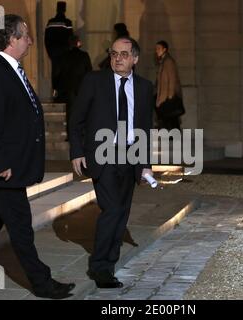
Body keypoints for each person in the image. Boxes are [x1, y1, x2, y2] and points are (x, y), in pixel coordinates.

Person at [0, 14, 75, 299]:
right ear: (12, 39)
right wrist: (1, 164)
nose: (31, 40)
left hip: (13, 165)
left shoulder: (13, 70)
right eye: (26, 35)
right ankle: (43, 284)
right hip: (5, 169)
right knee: (21, 230)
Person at [70, 36, 154, 288]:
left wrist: (145, 163)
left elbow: (145, 129)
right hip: (103, 154)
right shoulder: (94, 81)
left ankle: (110, 260)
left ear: (135, 59)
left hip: (130, 156)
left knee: (122, 211)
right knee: (113, 209)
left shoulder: (144, 87)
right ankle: (100, 268)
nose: (118, 58)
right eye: (114, 53)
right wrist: (77, 151)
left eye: (124, 54)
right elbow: (77, 119)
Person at [53, 33, 92, 141]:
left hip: (68, 88)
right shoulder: (84, 55)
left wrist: (56, 87)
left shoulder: (63, 56)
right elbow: (89, 72)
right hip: (82, 87)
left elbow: (57, 73)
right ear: (78, 43)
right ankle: (82, 134)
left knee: (70, 112)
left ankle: (71, 135)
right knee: (83, 111)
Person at [44, 1, 74, 100]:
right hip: (65, 52)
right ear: (64, 10)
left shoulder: (50, 22)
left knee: (55, 72)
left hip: (53, 52)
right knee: (65, 73)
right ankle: (63, 94)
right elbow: (71, 38)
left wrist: (49, 51)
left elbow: (46, 39)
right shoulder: (67, 23)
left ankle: (55, 92)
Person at [154, 40, 183, 130]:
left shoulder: (168, 61)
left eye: (159, 48)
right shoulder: (163, 61)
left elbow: (172, 79)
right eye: (156, 49)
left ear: (164, 49)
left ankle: (173, 135)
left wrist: (170, 96)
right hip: (164, 95)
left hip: (167, 96)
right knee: (169, 118)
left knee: (170, 118)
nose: (157, 51)